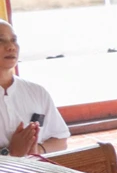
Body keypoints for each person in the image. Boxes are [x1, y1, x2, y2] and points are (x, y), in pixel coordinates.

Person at [0, 19, 68, 157]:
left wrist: (38, 150)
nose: (11, 47)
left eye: (14, 40)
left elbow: (61, 140)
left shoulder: (37, 92)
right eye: (1, 40)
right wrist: (11, 153)